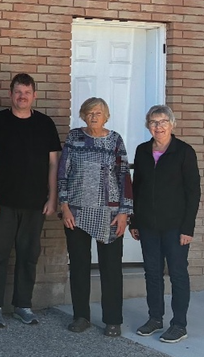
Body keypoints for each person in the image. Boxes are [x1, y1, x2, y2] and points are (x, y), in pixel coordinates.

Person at [0, 74, 61, 327]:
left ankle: (23, 305)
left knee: (28, 255)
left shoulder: (45, 124)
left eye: (27, 92)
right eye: (18, 92)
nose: (22, 97)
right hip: (2, 202)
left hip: (35, 204)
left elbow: (53, 164)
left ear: (34, 95)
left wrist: (53, 197)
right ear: (10, 94)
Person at [58, 97, 132, 336]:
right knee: (79, 266)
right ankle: (81, 316)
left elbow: (124, 177)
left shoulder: (115, 140)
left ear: (106, 116)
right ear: (82, 115)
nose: (93, 117)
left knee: (111, 268)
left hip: (109, 214)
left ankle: (113, 320)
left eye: (98, 113)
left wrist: (124, 212)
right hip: (76, 213)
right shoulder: (74, 138)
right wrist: (64, 206)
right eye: (89, 113)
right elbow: (63, 172)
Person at [130, 105, 201, 343]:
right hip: (148, 225)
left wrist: (187, 228)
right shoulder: (141, 151)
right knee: (152, 273)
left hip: (175, 227)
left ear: (171, 124)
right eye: (153, 122)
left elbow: (193, 192)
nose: (158, 127)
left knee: (178, 274)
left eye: (162, 122)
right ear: (147, 125)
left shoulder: (184, 152)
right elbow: (136, 187)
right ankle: (155, 318)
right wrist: (134, 221)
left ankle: (179, 324)